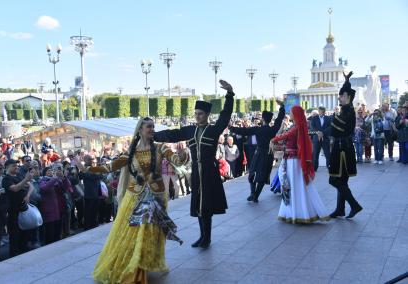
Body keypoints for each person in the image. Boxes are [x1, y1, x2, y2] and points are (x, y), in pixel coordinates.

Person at [83, 117, 187, 284]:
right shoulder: (131, 151)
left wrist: (182, 155)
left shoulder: (161, 148)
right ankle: (134, 269)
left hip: (157, 197)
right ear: (140, 130)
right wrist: (89, 168)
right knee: (135, 233)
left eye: (153, 127)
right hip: (135, 197)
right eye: (149, 127)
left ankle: (143, 265)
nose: (152, 130)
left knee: (150, 233)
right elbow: (111, 167)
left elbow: (177, 161)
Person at [154, 80, 234, 249]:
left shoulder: (213, 130)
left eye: (200, 114)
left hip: (209, 172)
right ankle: (202, 236)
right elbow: (172, 134)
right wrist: (153, 135)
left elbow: (225, 115)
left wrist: (230, 94)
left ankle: (207, 237)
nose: (197, 116)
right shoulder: (190, 130)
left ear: (207, 115)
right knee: (198, 205)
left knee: (207, 207)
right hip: (196, 172)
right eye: (196, 113)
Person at [271, 105, 329, 224]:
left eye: (291, 112)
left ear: (296, 114)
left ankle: (297, 213)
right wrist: (280, 145)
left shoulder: (296, 127)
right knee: (292, 186)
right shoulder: (297, 126)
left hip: (293, 162)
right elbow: (288, 143)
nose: (290, 114)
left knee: (293, 186)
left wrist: (273, 140)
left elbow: (285, 136)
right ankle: (295, 212)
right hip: (290, 160)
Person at [229, 100, 285, 202]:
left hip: (259, 153)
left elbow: (243, 131)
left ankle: (253, 194)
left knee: (252, 173)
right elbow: (280, 119)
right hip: (268, 154)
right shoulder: (273, 129)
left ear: (263, 119)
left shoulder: (257, 129)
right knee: (263, 176)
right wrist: (282, 107)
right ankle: (255, 196)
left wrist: (231, 128)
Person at [328, 71, 363, 219]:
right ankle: (340, 209)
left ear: (348, 97)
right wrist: (347, 80)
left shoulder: (348, 110)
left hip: (343, 148)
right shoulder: (344, 110)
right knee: (341, 180)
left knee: (335, 180)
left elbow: (336, 128)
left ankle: (354, 205)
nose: (340, 98)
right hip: (341, 147)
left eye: (342, 96)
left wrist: (332, 121)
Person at [2, 159, 33, 256]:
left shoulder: (19, 175)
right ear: (7, 167)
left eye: (16, 165)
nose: (16, 167)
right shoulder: (6, 179)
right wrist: (25, 180)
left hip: (23, 208)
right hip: (13, 210)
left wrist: (28, 195)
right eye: (13, 166)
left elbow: (31, 186)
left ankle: (24, 250)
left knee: (25, 231)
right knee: (14, 234)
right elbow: (15, 188)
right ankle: (14, 254)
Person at [310, 106, 332, 171]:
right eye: (320, 111)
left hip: (325, 138)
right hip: (316, 138)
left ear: (325, 112)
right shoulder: (314, 118)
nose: (321, 112)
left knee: (327, 153)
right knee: (315, 154)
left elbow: (330, 127)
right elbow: (312, 127)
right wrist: (318, 132)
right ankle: (314, 168)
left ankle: (329, 167)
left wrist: (322, 133)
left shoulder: (328, 118)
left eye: (323, 111)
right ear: (318, 111)